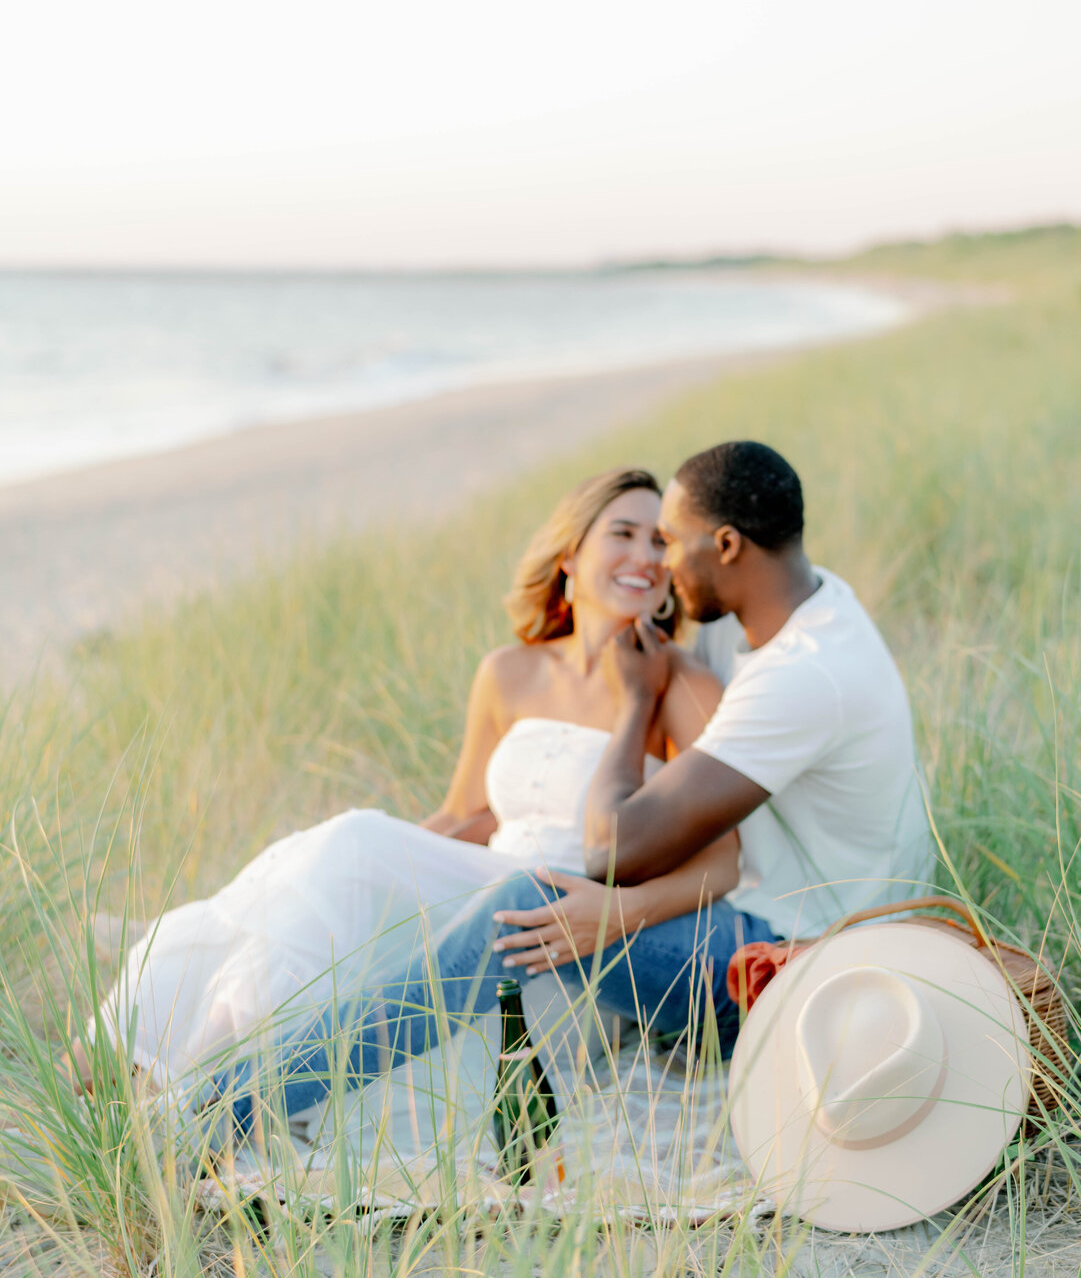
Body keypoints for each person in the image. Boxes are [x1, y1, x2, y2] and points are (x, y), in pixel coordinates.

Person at [203, 441, 933, 1141]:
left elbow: (618, 846)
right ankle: (216, 1053)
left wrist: (633, 715)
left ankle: (219, 1111)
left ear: (730, 546)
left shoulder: (803, 674)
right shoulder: (773, 606)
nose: (659, 564)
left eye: (670, 542)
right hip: (752, 916)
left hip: (792, 959)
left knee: (522, 906)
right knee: (362, 859)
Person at [79, 467, 733, 1097]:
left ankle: (196, 1079)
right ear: (569, 554)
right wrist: (360, 873)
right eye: (622, 533)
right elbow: (465, 815)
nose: (644, 556)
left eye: (659, 541)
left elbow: (720, 867)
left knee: (351, 847)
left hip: (568, 927)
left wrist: (617, 917)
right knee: (324, 876)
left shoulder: (682, 687)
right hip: (481, 897)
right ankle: (132, 1064)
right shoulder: (509, 673)